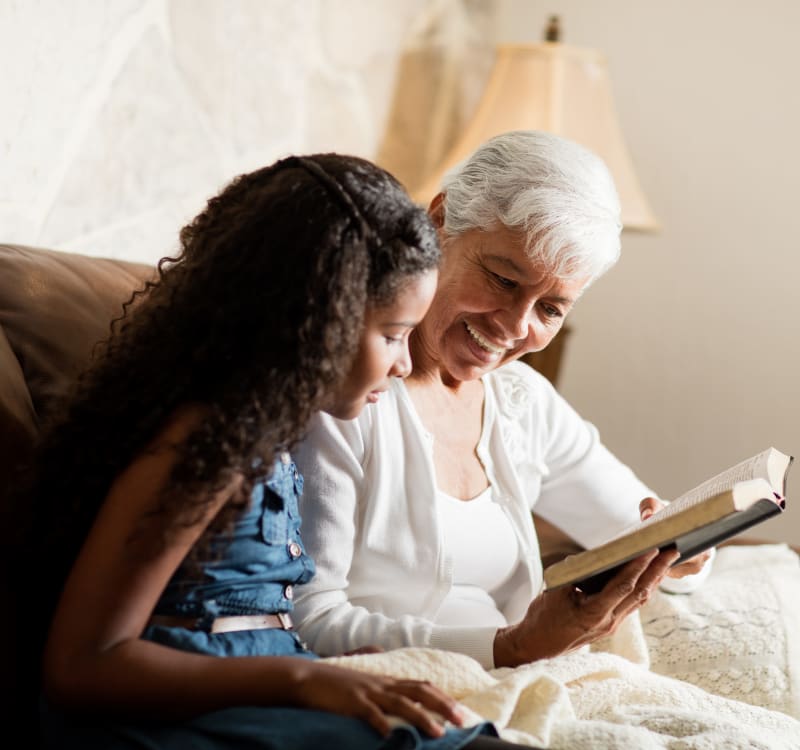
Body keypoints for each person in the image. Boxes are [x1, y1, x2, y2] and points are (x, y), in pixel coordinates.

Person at [21, 154, 528, 749]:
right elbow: (84, 664)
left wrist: (321, 666)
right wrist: (298, 680)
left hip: (261, 693)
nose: (405, 364)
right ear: (314, 320)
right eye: (392, 335)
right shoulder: (201, 445)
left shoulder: (266, 437)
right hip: (176, 724)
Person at [292, 131, 712, 670]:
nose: (517, 326)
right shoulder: (347, 392)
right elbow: (305, 621)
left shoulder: (523, 402)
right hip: (391, 688)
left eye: (552, 309)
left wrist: (688, 549)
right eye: (504, 279)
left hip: (518, 675)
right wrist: (510, 648)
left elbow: (648, 525)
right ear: (439, 222)